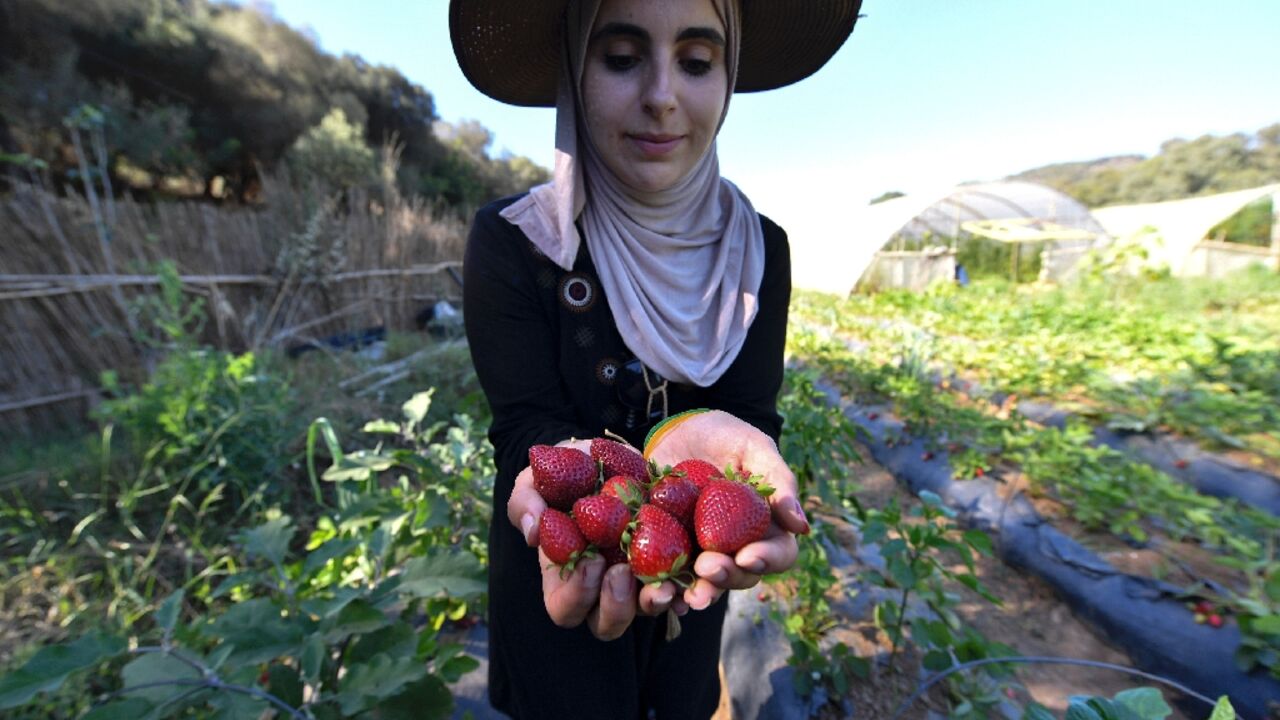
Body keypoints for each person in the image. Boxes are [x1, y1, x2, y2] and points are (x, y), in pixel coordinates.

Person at [452, 1, 862, 717]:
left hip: (691, 574)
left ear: (726, 76)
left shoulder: (760, 250)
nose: (663, 96)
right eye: (620, 56)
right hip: (562, 575)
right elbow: (524, 427)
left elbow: (752, 414)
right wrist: (566, 470)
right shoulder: (515, 241)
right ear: (574, 69)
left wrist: (723, 448)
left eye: (698, 61)